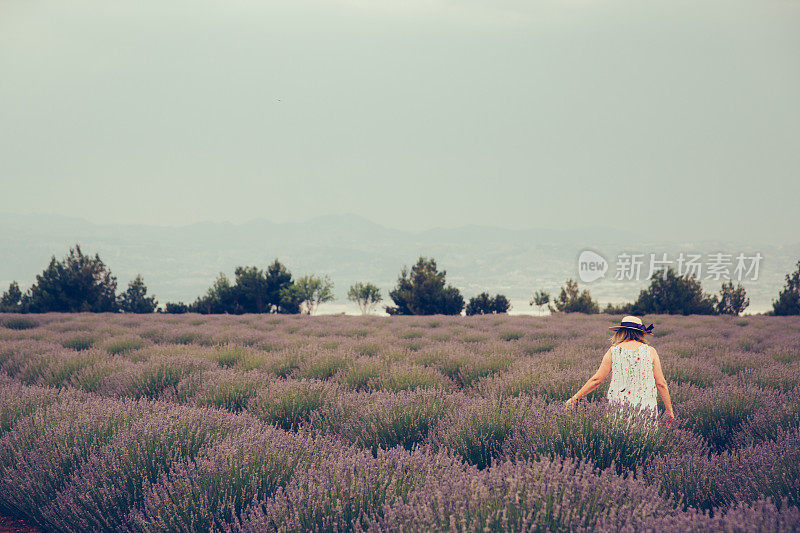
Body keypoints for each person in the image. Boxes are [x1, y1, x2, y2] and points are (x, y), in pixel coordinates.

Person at [564, 316, 675, 424]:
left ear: (621, 332)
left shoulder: (614, 351)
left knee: (620, 440)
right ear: (641, 333)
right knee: (644, 440)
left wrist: (575, 398)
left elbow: (596, 380)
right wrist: (669, 411)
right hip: (646, 408)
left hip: (619, 408)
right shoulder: (650, 351)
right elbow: (661, 384)